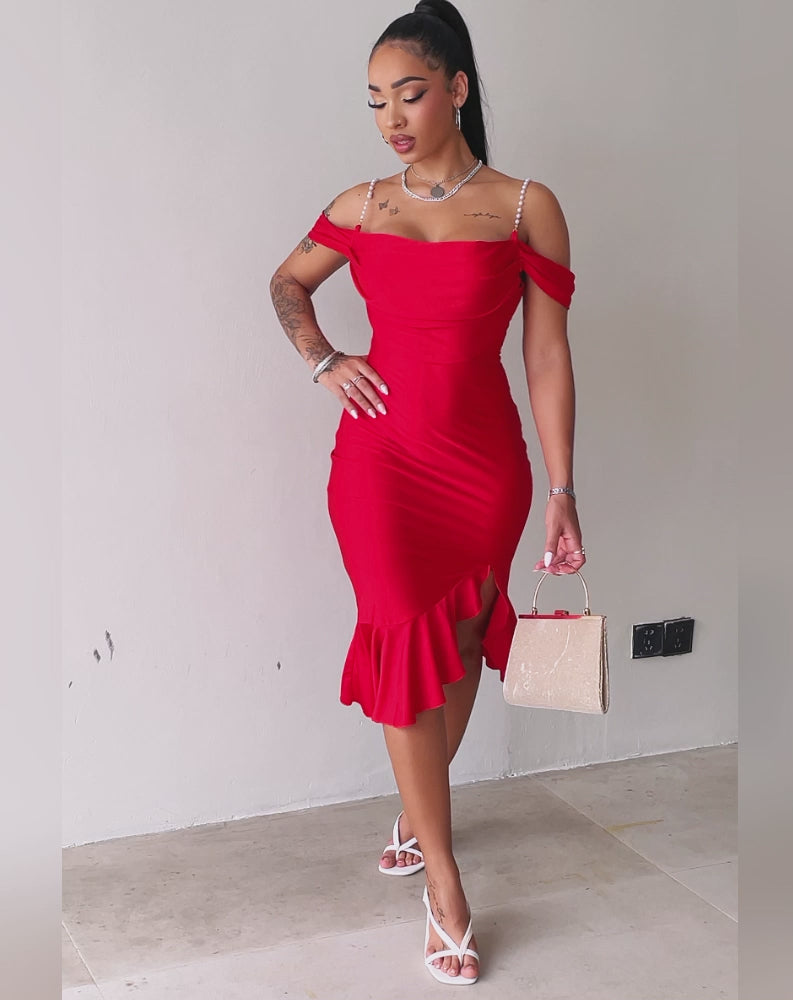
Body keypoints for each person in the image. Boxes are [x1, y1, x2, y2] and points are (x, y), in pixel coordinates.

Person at [269, 0, 584, 985]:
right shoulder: (363, 206)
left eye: (408, 94)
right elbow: (286, 283)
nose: (391, 117)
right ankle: (445, 885)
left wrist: (562, 487)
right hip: (380, 463)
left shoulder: (525, 205)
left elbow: (545, 354)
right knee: (404, 634)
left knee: (458, 646)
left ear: (457, 88)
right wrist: (323, 358)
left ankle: (417, 810)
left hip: (484, 466)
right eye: (375, 101)